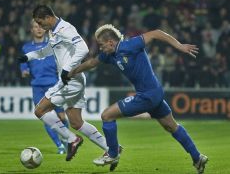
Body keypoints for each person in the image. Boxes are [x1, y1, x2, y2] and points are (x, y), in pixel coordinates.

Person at [68, 24, 208, 173]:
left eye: (101, 45)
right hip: (154, 93)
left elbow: (156, 32)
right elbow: (92, 63)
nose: (100, 49)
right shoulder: (109, 55)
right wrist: (71, 73)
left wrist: (179, 46)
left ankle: (113, 154)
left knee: (107, 115)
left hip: (148, 95)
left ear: (110, 42)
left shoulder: (130, 45)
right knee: (171, 126)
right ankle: (197, 157)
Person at [18, 5, 108, 162]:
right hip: (73, 79)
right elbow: (48, 50)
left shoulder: (65, 29)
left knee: (40, 111)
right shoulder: (53, 31)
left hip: (69, 80)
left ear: (48, 17)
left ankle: (72, 139)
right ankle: (111, 148)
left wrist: (66, 69)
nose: (40, 26)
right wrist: (29, 57)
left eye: (40, 22)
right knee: (76, 122)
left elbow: (83, 49)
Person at [20, 19, 68, 154]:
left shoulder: (52, 44)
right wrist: (24, 70)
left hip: (54, 85)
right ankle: (60, 146)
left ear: (45, 29)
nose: (39, 29)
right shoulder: (26, 48)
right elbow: (24, 64)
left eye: (41, 26)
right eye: (36, 26)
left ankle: (66, 139)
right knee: (46, 118)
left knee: (62, 118)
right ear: (32, 30)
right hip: (37, 88)